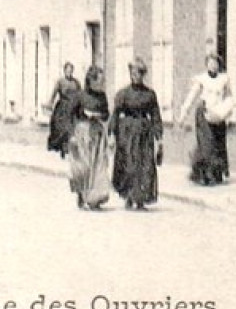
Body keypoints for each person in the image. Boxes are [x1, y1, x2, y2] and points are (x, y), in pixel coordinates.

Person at [178, 53, 236, 187]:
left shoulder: (224, 79)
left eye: (215, 63)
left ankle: (217, 173)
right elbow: (191, 96)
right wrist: (183, 114)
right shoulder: (201, 79)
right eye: (210, 63)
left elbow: (229, 97)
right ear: (206, 65)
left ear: (219, 65)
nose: (213, 66)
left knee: (218, 144)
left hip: (218, 113)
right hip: (204, 114)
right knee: (207, 144)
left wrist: (229, 113)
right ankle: (207, 175)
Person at [111, 57, 162, 210]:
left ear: (143, 74)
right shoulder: (123, 94)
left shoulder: (150, 94)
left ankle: (140, 199)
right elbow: (115, 114)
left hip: (144, 134)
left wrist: (159, 138)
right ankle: (128, 196)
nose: (135, 76)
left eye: (138, 73)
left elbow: (156, 116)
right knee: (129, 165)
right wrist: (112, 135)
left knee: (145, 166)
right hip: (126, 133)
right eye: (132, 73)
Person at [69, 67, 114, 210]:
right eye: (99, 81)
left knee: (98, 166)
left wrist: (98, 116)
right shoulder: (80, 96)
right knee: (84, 166)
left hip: (97, 133)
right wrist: (71, 136)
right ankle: (82, 194)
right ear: (91, 80)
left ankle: (95, 198)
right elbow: (70, 115)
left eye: (102, 82)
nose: (101, 84)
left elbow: (106, 114)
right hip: (82, 132)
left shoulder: (102, 97)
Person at [47, 63, 83, 158]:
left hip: (73, 108)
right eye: (67, 70)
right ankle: (62, 148)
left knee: (72, 128)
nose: (69, 72)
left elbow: (80, 94)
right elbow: (54, 93)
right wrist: (50, 102)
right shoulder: (60, 81)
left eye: (71, 71)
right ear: (64, 71)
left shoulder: (76, 83)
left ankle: (68, 148)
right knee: (61, 128)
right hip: (62, 108)